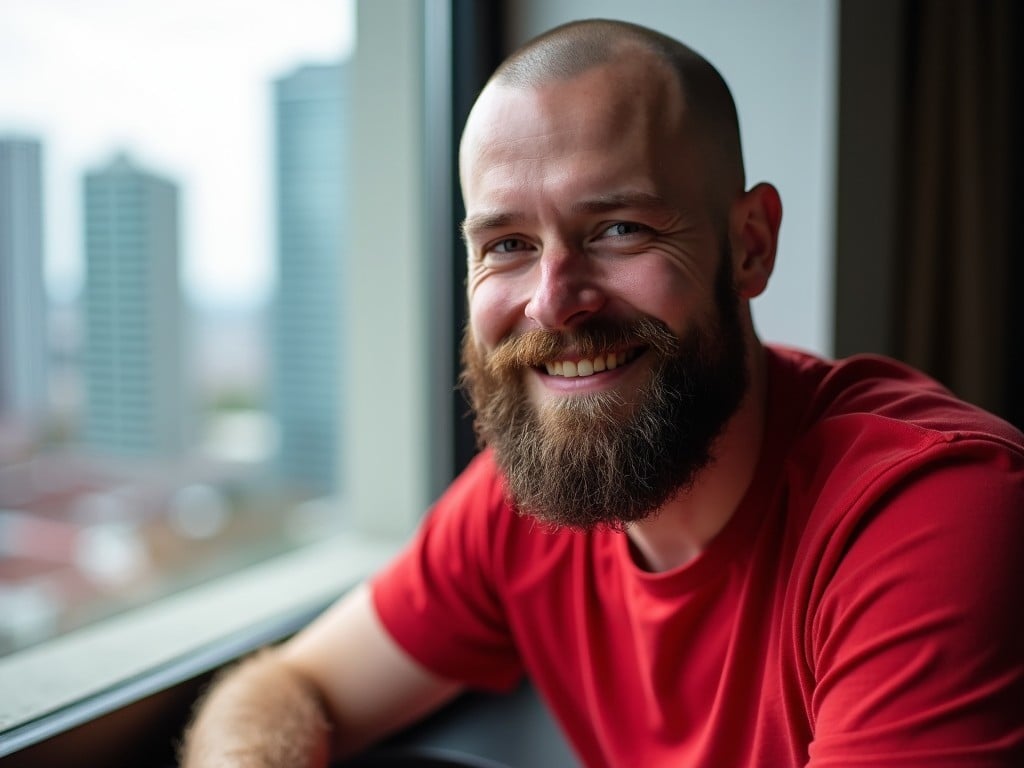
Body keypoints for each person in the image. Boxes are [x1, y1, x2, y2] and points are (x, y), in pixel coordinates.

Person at [180, 19, 1024, 767]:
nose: (553, 299)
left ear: (749, 247)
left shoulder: (929, 515)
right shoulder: (529, 505)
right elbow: (285, 690)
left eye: (619, 228)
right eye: (507, 243)